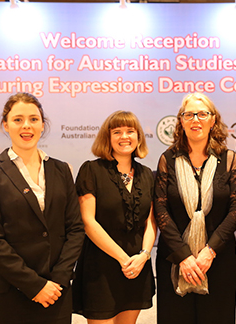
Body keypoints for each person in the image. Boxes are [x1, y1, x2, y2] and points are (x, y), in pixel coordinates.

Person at [0, 92, 85, 324]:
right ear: (6, 125)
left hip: (56, 292)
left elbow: (75, 229)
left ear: (42, 125)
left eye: (34, 119)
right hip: (9, 294)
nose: (27, 126)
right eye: (18, 119)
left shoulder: (61, 169)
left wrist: (59, 280)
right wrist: (34, 285)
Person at [154, 92, 236, 324]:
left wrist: (209, 251)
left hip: (218, 259)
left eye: (203, 114)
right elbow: (161, 210)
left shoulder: (229, 159)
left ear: (213, 120)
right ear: (181, 121)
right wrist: (185, 257)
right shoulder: (168, 159)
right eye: (189, 114)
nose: (196, 119)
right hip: (175, 260)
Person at [72, 111, 156, 324]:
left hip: (138, 267)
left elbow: (151, 222)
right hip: (101, 268)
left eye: (130, 131)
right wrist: (123, 259)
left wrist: (144, 256)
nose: (124, 136)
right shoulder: (91, 170)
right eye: (117, 132)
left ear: (138, 137)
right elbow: (88, 222)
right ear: (107, 138)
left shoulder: (147, 175)